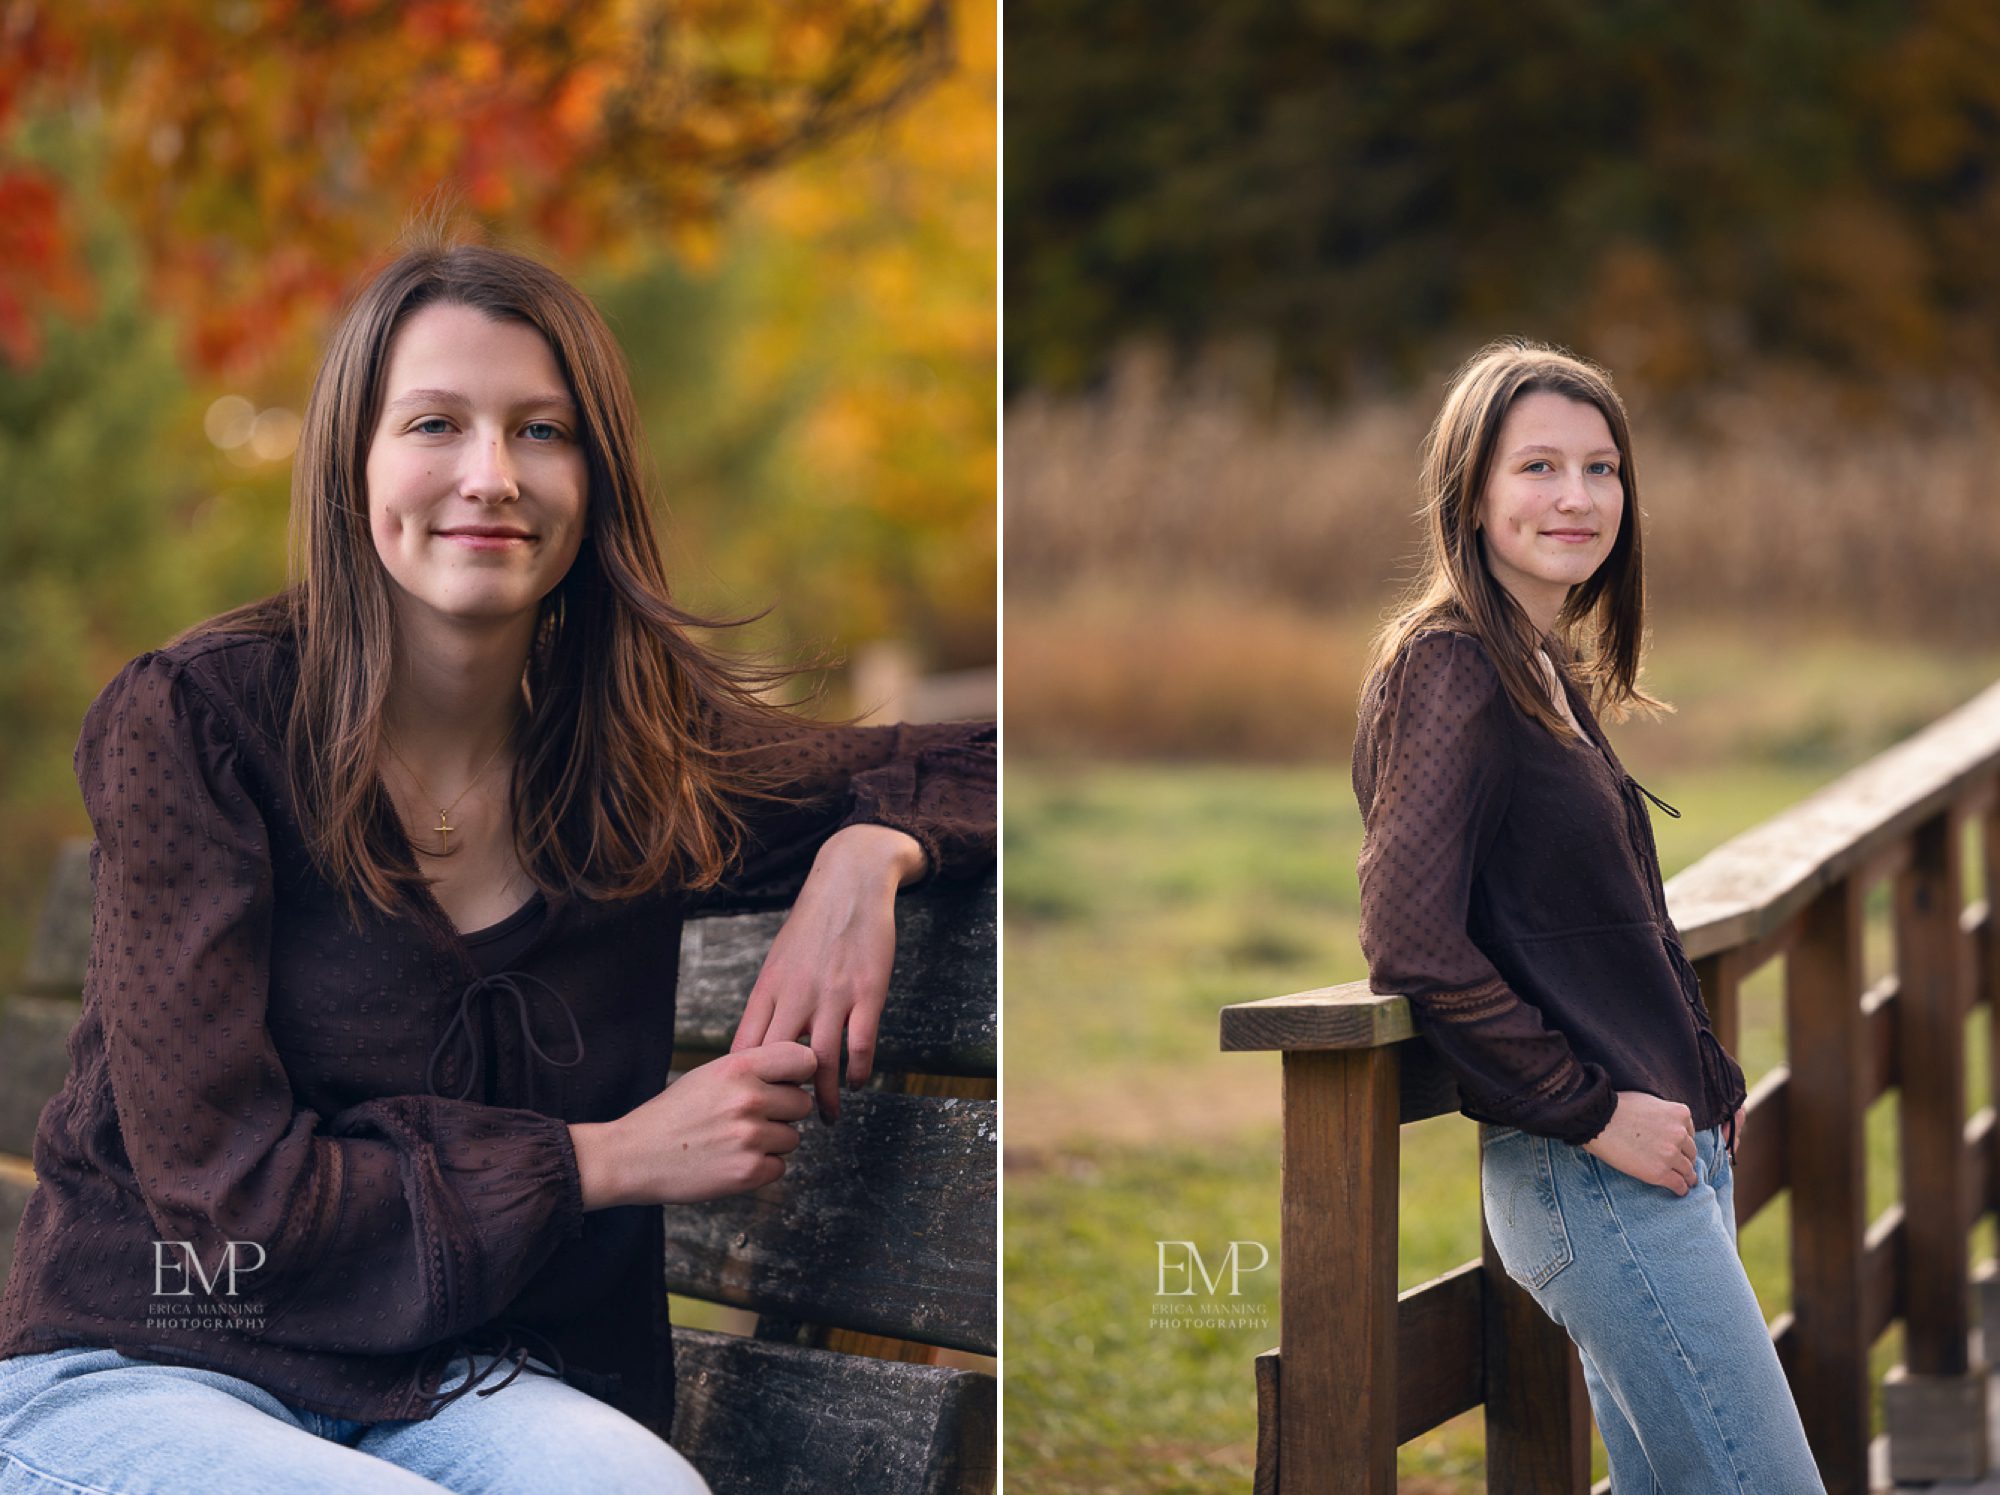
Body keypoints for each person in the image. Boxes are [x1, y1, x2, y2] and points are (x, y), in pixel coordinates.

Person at [0, 238, 995, 1494]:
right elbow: (229, 1201)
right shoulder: (202, 721)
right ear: (352, 464)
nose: (489, 476)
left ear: (595, 478)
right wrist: (606, 1157)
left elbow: (1001, 752)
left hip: (460, 1379)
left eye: (541, 432)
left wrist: (872, 846)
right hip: (157, 1357)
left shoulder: (638, 761)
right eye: (433, 423)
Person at [1351, 339, 1823, 1492]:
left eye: (1601, 468)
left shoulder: (1533, 664)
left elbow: (1599, 928)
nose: (1576, 497)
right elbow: (1408, 937)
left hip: (1654, 1160)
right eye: (1537, 467)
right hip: (1592, 1171)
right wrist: (1592, 1107)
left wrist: (1701, 1076)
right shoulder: (1450, 665)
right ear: (1469, 488)